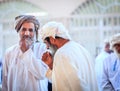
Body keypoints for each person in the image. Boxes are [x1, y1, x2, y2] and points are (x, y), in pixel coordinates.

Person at [40, 21, 98, 91]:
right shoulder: (81, 49)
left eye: (46, 43)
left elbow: (78, 85)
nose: (47, 47)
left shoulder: (62, 53)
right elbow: (63, 81)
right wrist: (51, 65)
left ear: (52, 39)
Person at [2, 15, 52, 91]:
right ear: (18, 31)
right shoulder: (9, 52)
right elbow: (5, 80)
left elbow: (42, 74)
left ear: (35, 32)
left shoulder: (42, 49)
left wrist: (26, 51)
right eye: (23, 29)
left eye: (31, 30)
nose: (27, 33)